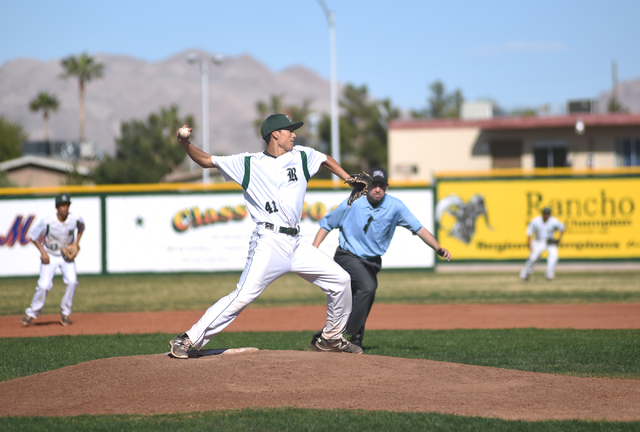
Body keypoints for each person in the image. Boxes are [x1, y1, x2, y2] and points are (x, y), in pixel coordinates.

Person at [168, 114, 362, 358]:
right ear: (275, 134)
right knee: (242, 296)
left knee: (341, 281)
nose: (294, 134)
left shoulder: (302, 155)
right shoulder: (248, 163)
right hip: (269, 242)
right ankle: (187, 339)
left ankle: (331, 337)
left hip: (297, 243)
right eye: (289, 130)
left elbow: (325, 159)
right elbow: (206, 161)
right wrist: (185, 143)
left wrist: (347, 178)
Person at [310, 167, 451, 349]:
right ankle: (347, 335)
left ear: (387, 186)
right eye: (374, 185)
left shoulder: (396, 206)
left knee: (356, 300)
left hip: (372, 261)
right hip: (348, 256)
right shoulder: (354, 201)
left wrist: (438, 247)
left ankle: (335, 337)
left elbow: (419, 228)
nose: (378, 189)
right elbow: (327, 223)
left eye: (381, 186)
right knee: (368, 288)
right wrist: (314, 249)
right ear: (367, 186)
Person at [22, 194, 85, 326]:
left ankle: (66, 313)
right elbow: (33, 236)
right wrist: (43, 252)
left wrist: (76, 243)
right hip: (50, 255)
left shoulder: (75, 219)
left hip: (66, 256)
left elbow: (81, 227)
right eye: (62, 205)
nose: (65, 207)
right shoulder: (48, 221)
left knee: (72, 282)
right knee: (43, 286)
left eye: (67, 204)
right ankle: (31, 313)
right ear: (56, 207)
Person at [519, 207, 565, 281]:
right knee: (533, 258)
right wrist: (529, 244)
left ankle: (549, 274)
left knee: (554, 257)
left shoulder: (553, 221)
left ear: (550, 214)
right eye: (545, 214)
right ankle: (526, 273)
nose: (546, 215)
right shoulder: (536, 221)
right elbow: (529, 233)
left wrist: (559, 239)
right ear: (542, 214)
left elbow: (562, 228)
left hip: (550, 241)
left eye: (548, 214)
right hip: (538, 241)